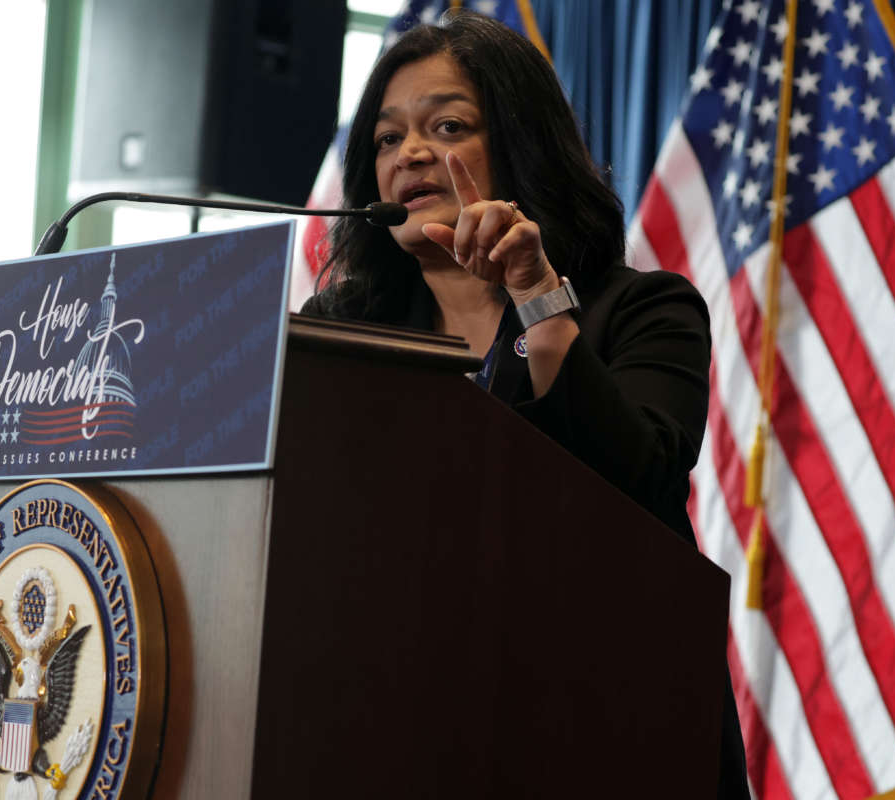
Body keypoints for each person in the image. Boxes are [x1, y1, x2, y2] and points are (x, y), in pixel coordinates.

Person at [302, 11, 749, 798]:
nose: (408, 153)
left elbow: (639, 476)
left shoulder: (643, 310)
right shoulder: (340, 331)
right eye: (385, 139)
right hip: (390, 721)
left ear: (519, 141)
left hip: (602, 721)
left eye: (446, 125)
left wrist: (539, 301)